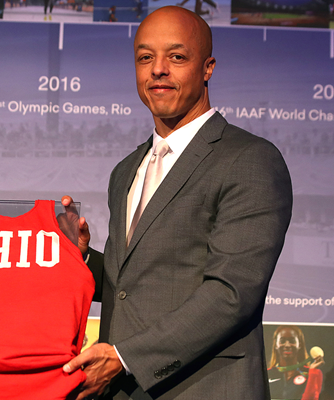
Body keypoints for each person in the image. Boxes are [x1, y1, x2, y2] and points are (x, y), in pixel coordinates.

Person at [62, 6, 293, 399]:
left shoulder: (249, 159)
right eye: (145, 57)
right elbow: (136, 286)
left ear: (208, 68)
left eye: (177, 56)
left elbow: (231, 294)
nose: (158, 69)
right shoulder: (126, 170)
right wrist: (84, 258)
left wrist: (125, 357)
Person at [267, 326, 324, 400]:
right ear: (276, 344)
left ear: (299, 344)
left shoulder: (312, 373)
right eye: (282, 341)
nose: (287, 345)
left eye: (292, 341)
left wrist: (313, 372)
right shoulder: (266, 374)